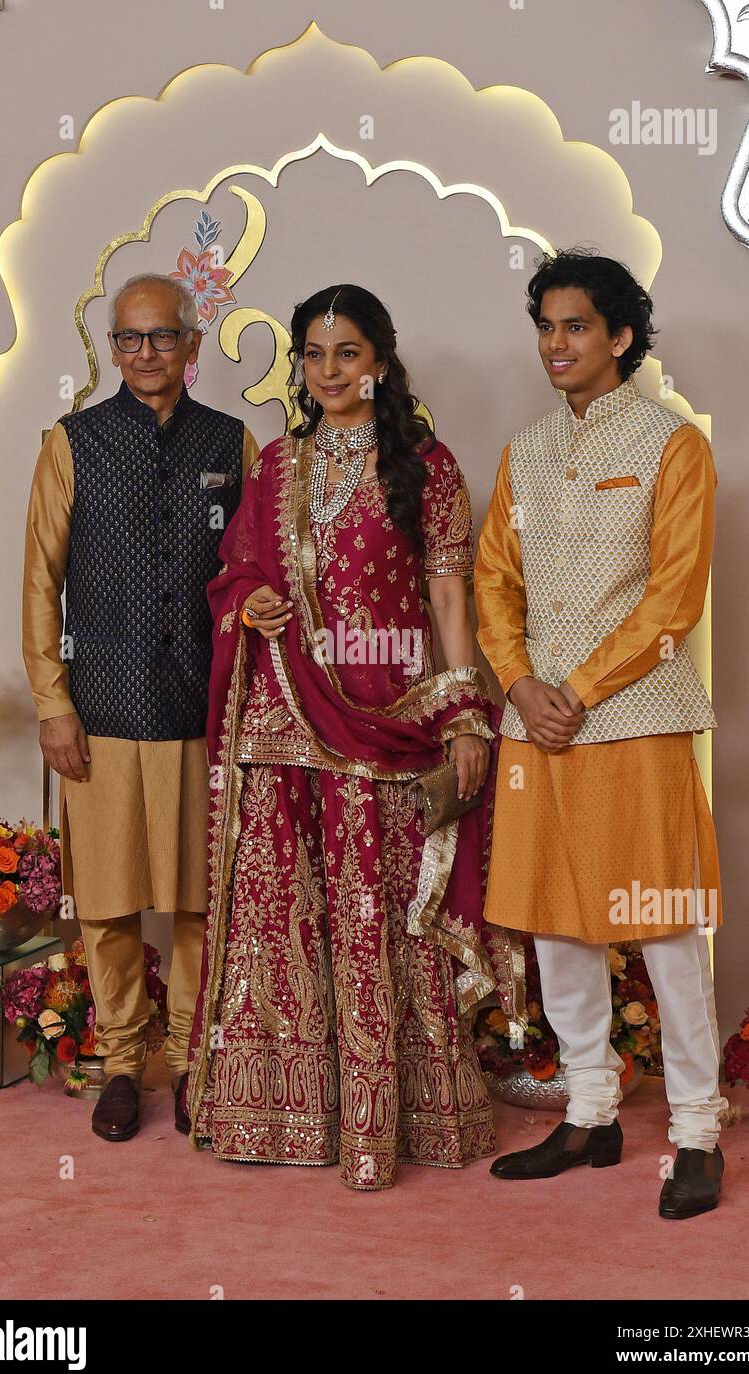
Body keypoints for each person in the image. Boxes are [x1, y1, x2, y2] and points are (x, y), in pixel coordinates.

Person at [186, 283, 512, 1192]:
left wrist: (463, 710)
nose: (329, 373)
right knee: (281, 918)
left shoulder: (427, 465)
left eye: (349, 355)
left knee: (379, 918)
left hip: (386, 719)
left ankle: (388, 1124)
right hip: (283, 717)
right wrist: (246, 600)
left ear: (381, 363)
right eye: (315, 356)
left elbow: (450, 595)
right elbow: (238, 571)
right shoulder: (277, 466)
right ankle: (278, 1117)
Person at [475, 249, 727, 1218]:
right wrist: (518, 683)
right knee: (552, 920)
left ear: (619, 337)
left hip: (635, 720)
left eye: (574, 326)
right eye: (544, 325)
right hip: (535, 726)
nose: (554, 344)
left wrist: (573, 686)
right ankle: (588, 1108)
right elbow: (494, 579)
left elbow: (673, 596)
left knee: (661, 925)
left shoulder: (672, 448)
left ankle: (697, 1129)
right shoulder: (525, 450)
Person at [22, 272, 257, 1141]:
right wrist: (53, 702)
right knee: (111, 903)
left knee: (200, 902)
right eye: (129, 338)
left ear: (194, 346)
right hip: (102, 711)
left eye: (162, 337)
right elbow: (41, 580)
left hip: (203, 713)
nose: (146, 354)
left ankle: (196, 1064)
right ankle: (123, 1061)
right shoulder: (72, 443)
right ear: (110, 347)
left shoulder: (231, 444)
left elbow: (252, 571)